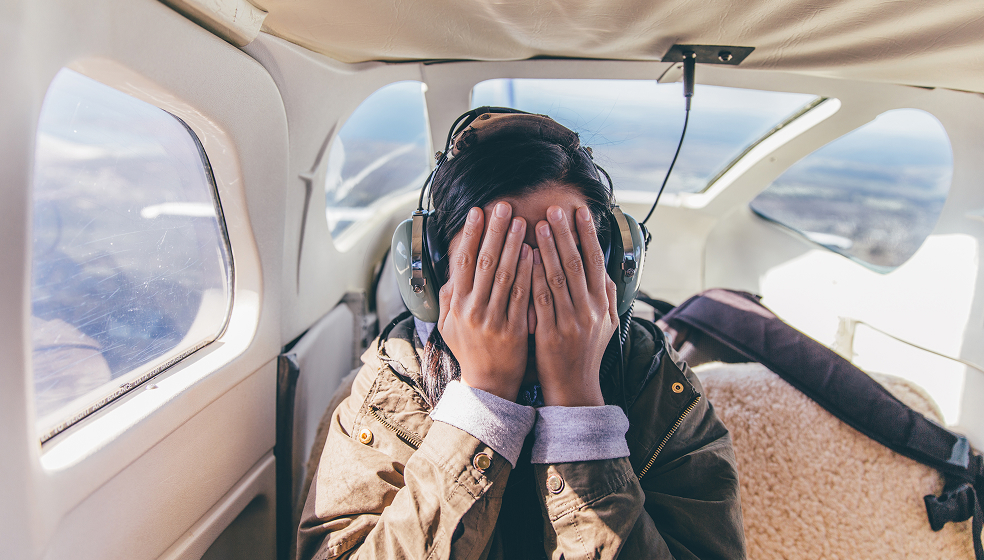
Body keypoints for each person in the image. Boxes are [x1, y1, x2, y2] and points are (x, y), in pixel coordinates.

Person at [297, 111, 746, 559]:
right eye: (497, 272)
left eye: (564, 267)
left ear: (611, 268)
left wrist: (579, 410)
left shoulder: (656, 384)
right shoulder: (394, 386)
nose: (537, 300)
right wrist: (480, 407)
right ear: (433, 278)